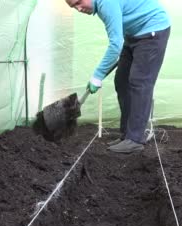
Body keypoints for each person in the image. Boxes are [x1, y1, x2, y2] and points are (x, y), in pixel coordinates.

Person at [65, 0, 171, 153]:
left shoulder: (106, 3)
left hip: (152, 29)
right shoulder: (100, 6)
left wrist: (98, 75)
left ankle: (135, 139)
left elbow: (115, 45)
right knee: (122, 80)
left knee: (140, 82)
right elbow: (118, 36)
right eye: (73, 6)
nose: (78, 8)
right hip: (133, 34)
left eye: (79, 2)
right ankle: (127, 134)